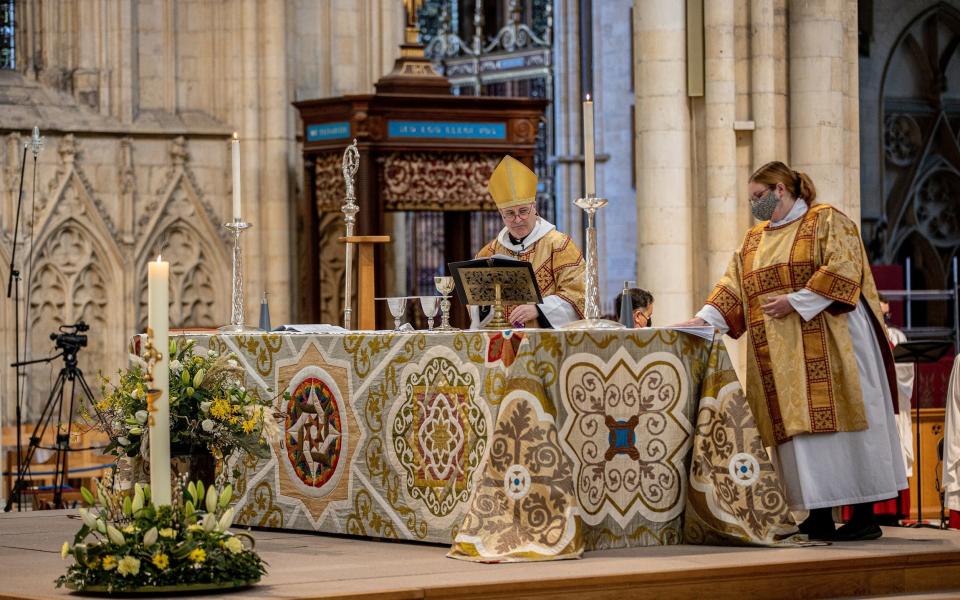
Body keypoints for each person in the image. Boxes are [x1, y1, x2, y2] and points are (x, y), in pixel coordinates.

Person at [678, 161, 907, 541]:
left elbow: (846, 267)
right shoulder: (754, 241)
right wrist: (704, 319)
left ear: (781, 189)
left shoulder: (826, 221)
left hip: (834, 345)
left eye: (758, 196)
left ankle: (863, 516)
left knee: (845, 434)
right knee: (800, 440)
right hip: (781, 355)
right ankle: (815, 515)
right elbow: (733, 287)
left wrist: (796, 301)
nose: (754, 205)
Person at [469, 155, 585, 329]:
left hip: (546, 345)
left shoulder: (559, 246)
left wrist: (540, 308)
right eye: (509, 213)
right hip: (501, 344)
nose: (517, 219)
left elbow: (579, 295)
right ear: (501, 214)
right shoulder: (488, 254)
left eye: (523, 211)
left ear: (534, 207)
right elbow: (475, 303)